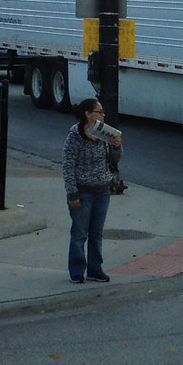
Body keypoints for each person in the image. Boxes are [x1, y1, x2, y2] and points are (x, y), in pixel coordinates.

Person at [62, 98, 122, 284]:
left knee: (96, 233)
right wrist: (72, 193)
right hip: (82, 191)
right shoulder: (75, 135)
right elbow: (68, 165)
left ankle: (95, 270)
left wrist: (117, 145)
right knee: (80, 232)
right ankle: (77, 270)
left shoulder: (103, 133)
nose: (103, 115)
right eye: (99, 111)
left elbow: (114, 159)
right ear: (88, 114)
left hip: (102, 190)